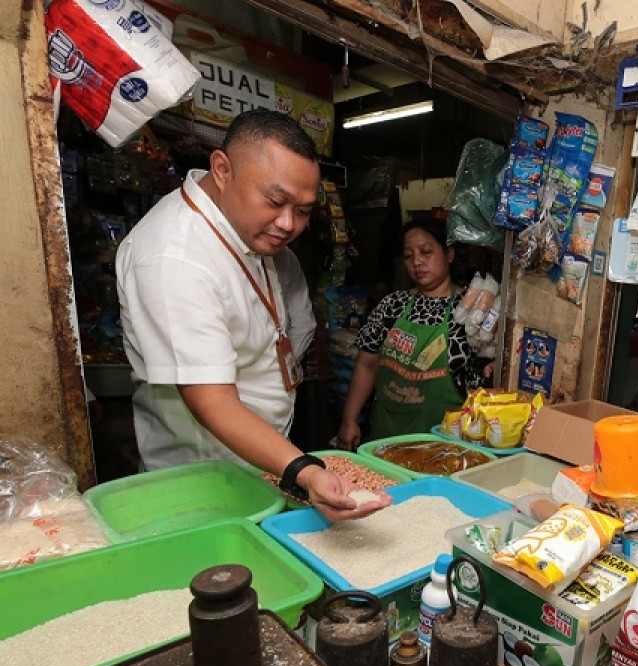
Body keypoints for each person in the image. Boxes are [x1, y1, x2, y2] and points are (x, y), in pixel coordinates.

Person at [117, 109, 386, 521]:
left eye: (303, 210)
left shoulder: (251, 232)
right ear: (222, 170)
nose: (288, 224)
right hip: (202, 485)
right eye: (275, 202)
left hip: (260, 467)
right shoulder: (174, 256)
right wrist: (304, 470)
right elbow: (212, 399)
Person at [337, 219, 491, 448]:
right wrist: (349, 419)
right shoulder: (392, 305)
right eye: (409, 256)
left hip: (444, 442)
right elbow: (366, 364)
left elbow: (486, 380)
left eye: (426, 252)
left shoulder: (471, 311)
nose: (417, 262)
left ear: (449, 254)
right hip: (385, 436)